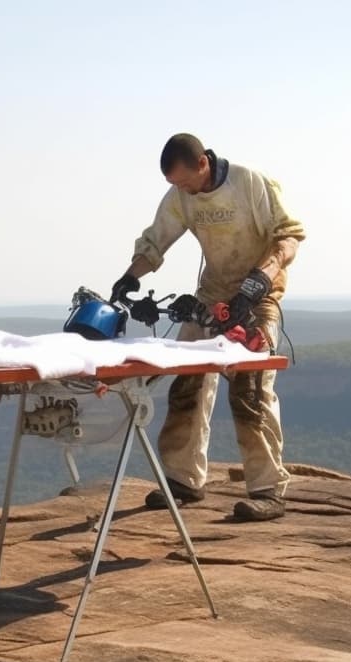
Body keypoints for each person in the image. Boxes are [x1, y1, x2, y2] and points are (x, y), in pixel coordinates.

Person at [110, 133, 305, 521]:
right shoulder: (182, 194)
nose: (182, 190)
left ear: (203, 164)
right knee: (187, 383)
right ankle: (183, 479)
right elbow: (157, 238)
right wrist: (130, 276)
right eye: (175, 185)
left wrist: (261, 280)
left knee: (250, 390)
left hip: (258, 296)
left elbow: (290, 236)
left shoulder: (250, 183)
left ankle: (268, 490)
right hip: (211, 295)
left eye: (184, 181)